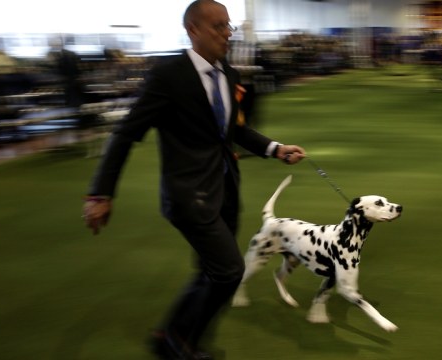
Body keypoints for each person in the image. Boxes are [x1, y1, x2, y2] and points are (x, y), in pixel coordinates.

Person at [81, 1, 306, 359]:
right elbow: (125, 133)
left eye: (228, 26)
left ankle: (170, 338)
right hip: (187, 196)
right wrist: (100, 193)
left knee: (210, 271)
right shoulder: (168, 75)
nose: (226, 33)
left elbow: (235, 131)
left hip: (225, 190)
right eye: (218, 26)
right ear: (193, 30)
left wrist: (275, 148)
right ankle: (179, 343)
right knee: (230, 271)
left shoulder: (229, 74)